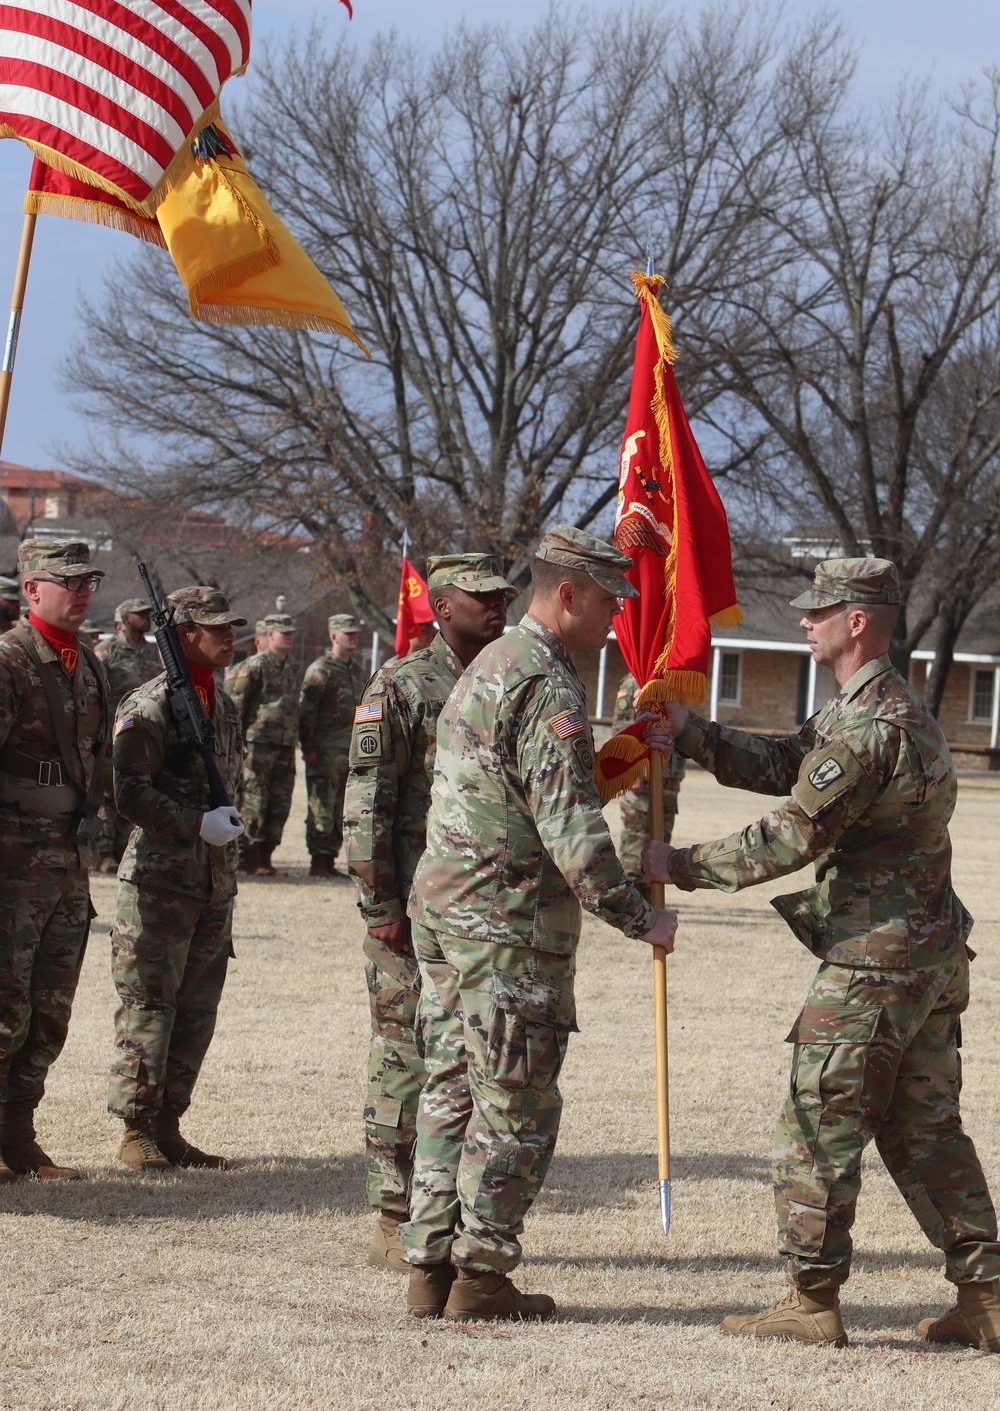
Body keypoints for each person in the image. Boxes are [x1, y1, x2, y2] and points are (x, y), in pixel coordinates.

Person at [643, 557, 1000, 1352]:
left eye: (819, 611)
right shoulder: (874, 712)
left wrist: (681, 865)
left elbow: (795, 833)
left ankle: (811, 1300)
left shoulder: (872, 726)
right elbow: (788, 765)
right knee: (927, 1131)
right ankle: (987, 1300)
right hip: (927, 956)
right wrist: (692, 735)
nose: (803, 622)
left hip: (877, 966)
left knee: (816, 1127)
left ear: (859, 621)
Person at [400, 525, 677, 1322]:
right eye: (609, 603)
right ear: (567, 595)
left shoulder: (493, 664)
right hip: (507, 925)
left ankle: (429, 1270)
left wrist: (625, 749)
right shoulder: (549, 686)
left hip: (450, 912)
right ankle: (481, 1279)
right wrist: (639, 917)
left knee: (450, 1086)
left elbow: (518, 788)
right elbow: (572, 835)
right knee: (515, 1101)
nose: (618, 619)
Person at [343, 554, 516, 1272]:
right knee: (404, 1051)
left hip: (478, 910)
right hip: (410, 906)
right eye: (480, 597)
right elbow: (367, 800)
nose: (497, 606)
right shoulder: (404, 684)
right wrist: (379, 903)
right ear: (442, 606)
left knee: (465, 1059)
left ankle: (440, 1207)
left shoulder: (510, 679)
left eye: (504, 595)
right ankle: (391, 1206)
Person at [109, 586, 245, 1170]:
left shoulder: (225, 703)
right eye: (216, 628)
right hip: (161, 883)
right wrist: (194, 823)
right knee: (149, 1005)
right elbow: (128, 792)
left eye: (232, 626)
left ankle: (169, 1124)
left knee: (196, 1009)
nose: (229, 636)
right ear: (184, 634)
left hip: (214, 881)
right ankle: (135, 1130)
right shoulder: (149, 705)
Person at [0, 538, 109, 1180]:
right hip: (12, 863)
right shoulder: (10, 659)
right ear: (30, 588)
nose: (81, 591)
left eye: (87, 580)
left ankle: (17, 1137)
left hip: (66, 862)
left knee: (49, 1008)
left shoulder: (87, 662)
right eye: (66, 581)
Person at [224, 611, 299, 875]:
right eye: (284, 632)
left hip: (285, 744)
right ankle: (249, 857)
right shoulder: (253, 666)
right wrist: (238, 740)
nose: (289, 637)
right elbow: (234, 707)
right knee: (254, 800)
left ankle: (266, 858)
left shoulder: (293, 667)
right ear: (269, 635)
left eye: (291, 632)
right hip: (257, 745)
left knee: (279, 802)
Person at [93, 599, 160, 873]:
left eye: (148, 614)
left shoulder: (152, 651)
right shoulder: (106, 651)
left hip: (144, 736)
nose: (147, 618)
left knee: (136, 790)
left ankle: (124, 849)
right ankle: (104, 853)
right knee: (108, 796)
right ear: (124, 618)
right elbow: (93, 692)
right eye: (140, 614)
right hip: (112, 735)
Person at [298, 614, 365, 878]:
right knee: (321, 807)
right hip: (324, 752)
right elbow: (306, 713)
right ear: (333, 636)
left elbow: (365, 711)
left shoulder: (358, 671)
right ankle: (318, 860)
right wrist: (308, 747)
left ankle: (331, 858)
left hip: (350, 752)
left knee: (341, 808)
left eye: (355, 632)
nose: (353, 636)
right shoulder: (320, 670)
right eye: (347, 632)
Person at [610, 671, 685, 885]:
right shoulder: (637, 679)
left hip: (668, 779)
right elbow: (623, 726)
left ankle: (652, 906)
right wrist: (633, 771)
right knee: (636, 847)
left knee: (661, 847)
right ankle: (632, 905)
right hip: (643, 778)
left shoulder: (676, 680)